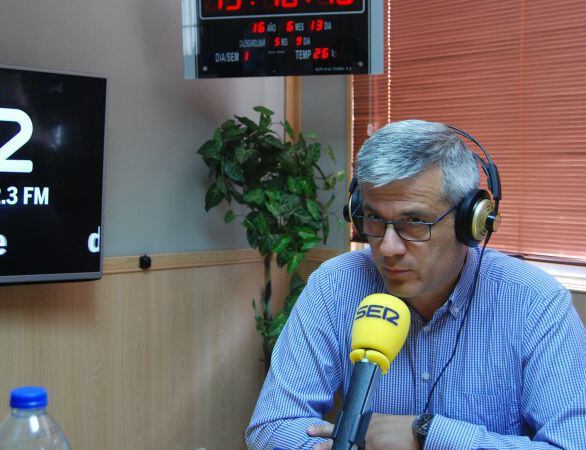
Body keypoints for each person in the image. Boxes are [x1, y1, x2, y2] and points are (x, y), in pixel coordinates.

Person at [245, 120, 586, 450]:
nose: (388, 248)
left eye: (415, 222)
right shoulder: (335, 286)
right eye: (375, 218)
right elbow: (271, 426)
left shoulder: (534, 302)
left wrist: (428, 434)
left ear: (470, 223)